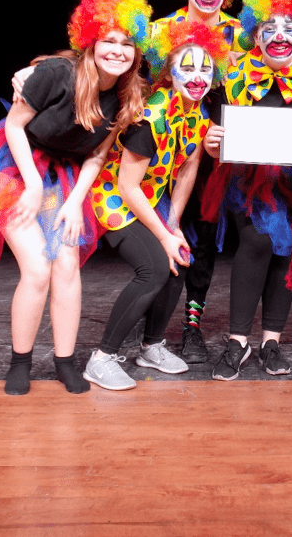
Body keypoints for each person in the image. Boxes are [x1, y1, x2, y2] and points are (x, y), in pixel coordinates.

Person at [0, 0, 152, 395]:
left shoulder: (125, 95)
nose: (118, 51)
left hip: (63, 176)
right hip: (12, 167)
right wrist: (32, 184)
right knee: (37, 269)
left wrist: (74, 203)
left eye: (127, 44)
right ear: (91, 42)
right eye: (109, 40)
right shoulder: (56, 74)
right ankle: (20, 362)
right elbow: (14, 126)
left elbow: (97, 156)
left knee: (66, 265)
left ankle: (65, 362)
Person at [201, 0, 292, 381]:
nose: (279, 36)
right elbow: (215, 134)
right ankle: (238, 341)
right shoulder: (234, 73)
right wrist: (211, 143)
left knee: (285, 250)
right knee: (258, 240)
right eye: (269, 28)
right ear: (255, 34)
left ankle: (270, 342)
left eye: (288, 27)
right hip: (247, 181)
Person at [82, 20, 230, 390]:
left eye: (205, 68)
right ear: (169, 71)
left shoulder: (198, 112)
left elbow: (188, 169)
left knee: (180, 258)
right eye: (187, 67)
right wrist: (163, 235)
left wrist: (174, 223)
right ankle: (102, 359)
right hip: (115, 198)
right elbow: (127, 186)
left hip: (150, 199)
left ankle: (151, 346)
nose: (197, 76)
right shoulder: (152, 117)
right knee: (153, 268)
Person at [152, 0, 250, 363]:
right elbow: (110, 60)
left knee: (204, 235)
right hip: (164, 148)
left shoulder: (241, 34)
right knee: (162, 230)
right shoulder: (159, 31)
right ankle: (152, 321)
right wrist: (40, 67)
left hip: (214, 150)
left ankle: (192, 327)